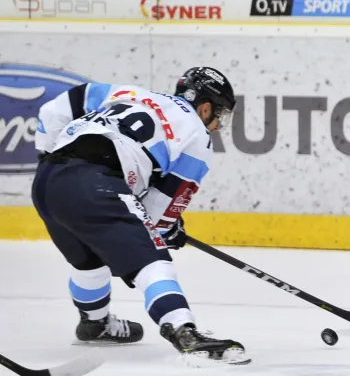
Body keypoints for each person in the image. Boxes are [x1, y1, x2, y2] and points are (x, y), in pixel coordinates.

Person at [32, 67, 250, 365]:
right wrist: (168, 231)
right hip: (97, 184)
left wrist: (47, 157)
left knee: (89, 261)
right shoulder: (198, 137)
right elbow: (158, 213)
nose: (217, 124)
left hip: (47, 181)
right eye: (219, 114)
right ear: (205, 107)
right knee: (153, 262)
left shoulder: (131, 93)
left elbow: (52, 111)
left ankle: (94, 323)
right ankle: (183, 331)